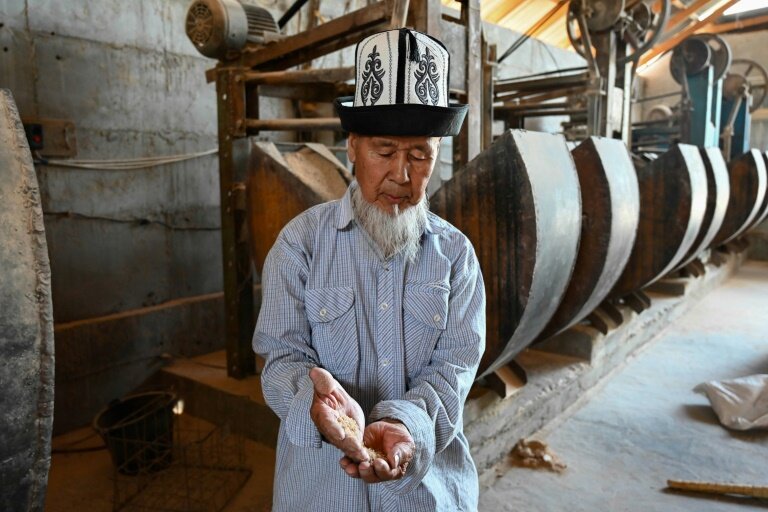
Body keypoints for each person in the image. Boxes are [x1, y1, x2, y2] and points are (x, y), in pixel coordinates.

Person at [253, 28, 486, 511]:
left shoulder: (456, 256)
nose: (402, 175)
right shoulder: (301, 246)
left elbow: (454, 370)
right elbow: (280, 357)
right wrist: (314, 406)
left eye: (420, 154)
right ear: (352, 148)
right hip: (321, 493)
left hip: (426, 493)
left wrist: (405, 426)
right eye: (385, 151)